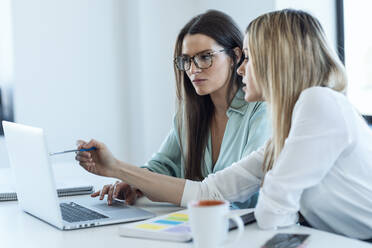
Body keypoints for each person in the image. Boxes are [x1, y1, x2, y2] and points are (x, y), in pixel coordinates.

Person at [76, 9, 372, 240]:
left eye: (250, 58)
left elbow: (272, 210)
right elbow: (210, 193)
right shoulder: (294, 122)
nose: (243, 69)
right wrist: (117, 169)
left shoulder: (318, 102)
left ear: (276, 62)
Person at [85, 10, 270, 209]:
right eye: (187, 60)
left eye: (205, 57)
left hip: (246, 228)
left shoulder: (261, 111)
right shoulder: (189, 114)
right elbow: (162, 166)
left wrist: (119, 169)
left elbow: (242, 192)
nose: (193, 69)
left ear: (235, 56)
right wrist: (132, 184)